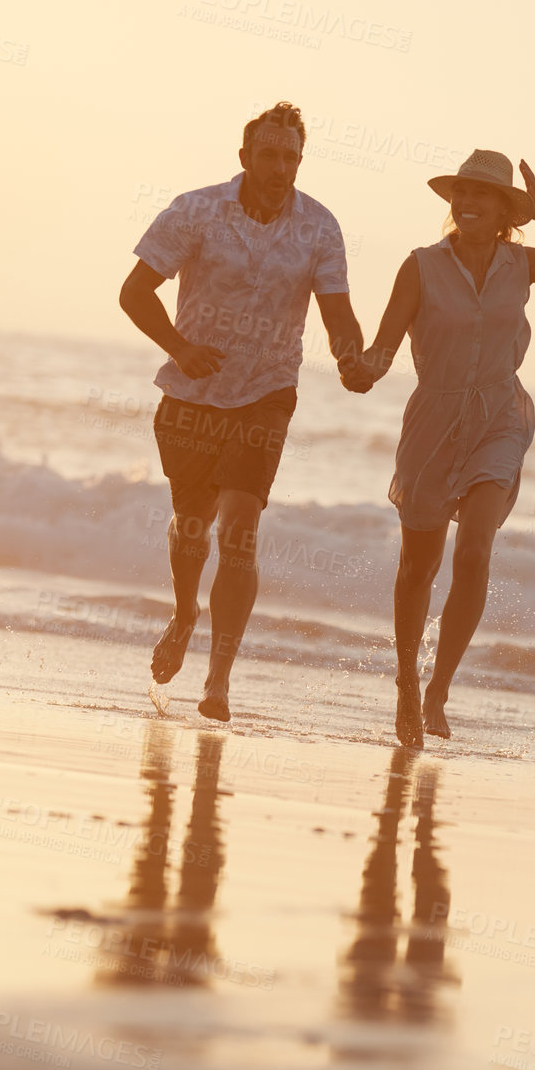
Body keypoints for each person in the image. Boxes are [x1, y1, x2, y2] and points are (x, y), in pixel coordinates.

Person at [343, 148, 535, 747]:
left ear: (504, 211)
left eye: (482, 195)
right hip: (433, 421)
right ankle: (405, 683)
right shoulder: (420, 267)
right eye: (461, 193)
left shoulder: (523, 263)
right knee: (419, 566)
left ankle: (439, 689)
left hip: (500, 416)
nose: (467, 202)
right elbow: (385, 347)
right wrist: (362, 368)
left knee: (473, 552)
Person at [119, 102, 367, 720]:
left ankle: (218, 680)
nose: (281, 166)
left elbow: (336, 310)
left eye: (291, 156)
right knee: (191, 524)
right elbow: (134, 293)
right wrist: (180, 348)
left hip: (268, 392)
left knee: (240, 529)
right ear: (245, 158)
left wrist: (351, 359)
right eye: (269, 154)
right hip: (190, 394)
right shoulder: (196, 210)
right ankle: (184, 613)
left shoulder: (319, 227)